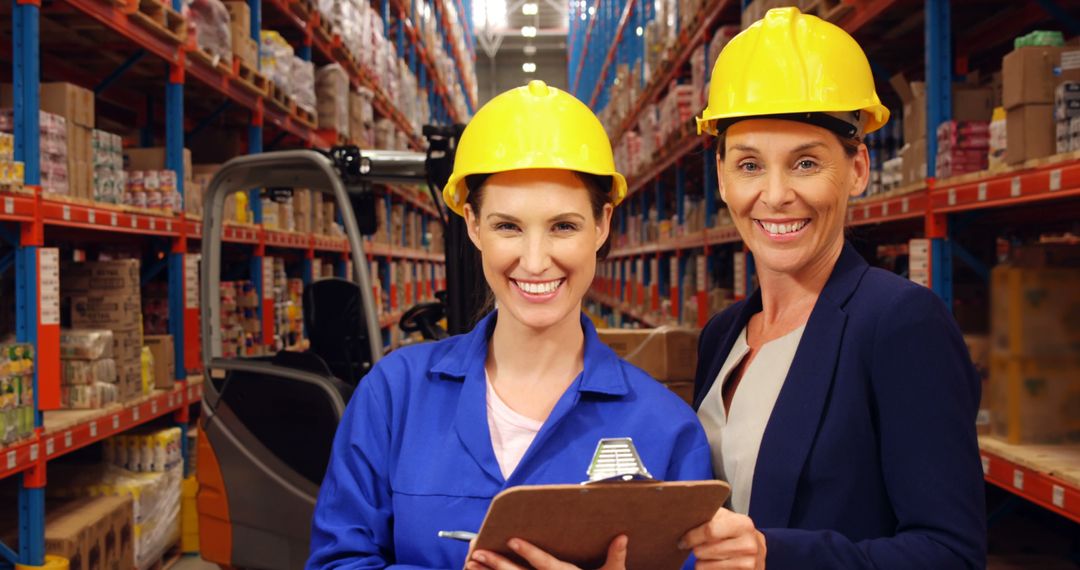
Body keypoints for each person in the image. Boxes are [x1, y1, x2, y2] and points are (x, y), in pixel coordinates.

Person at [306, 80, 713, 570]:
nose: (536, 261)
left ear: (602, 225)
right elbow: (337, 562)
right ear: (473, 224)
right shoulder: (394, 397)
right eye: (508, 226)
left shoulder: (666, 429)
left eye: (563, 226)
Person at [676, 7, 987, 569]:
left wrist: (775, 555)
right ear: (721, 177)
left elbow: (951, 554)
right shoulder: (723, 336)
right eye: (749, 165)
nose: (774, 195)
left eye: (805, 163)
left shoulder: (901, 324)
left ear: (859, 169)